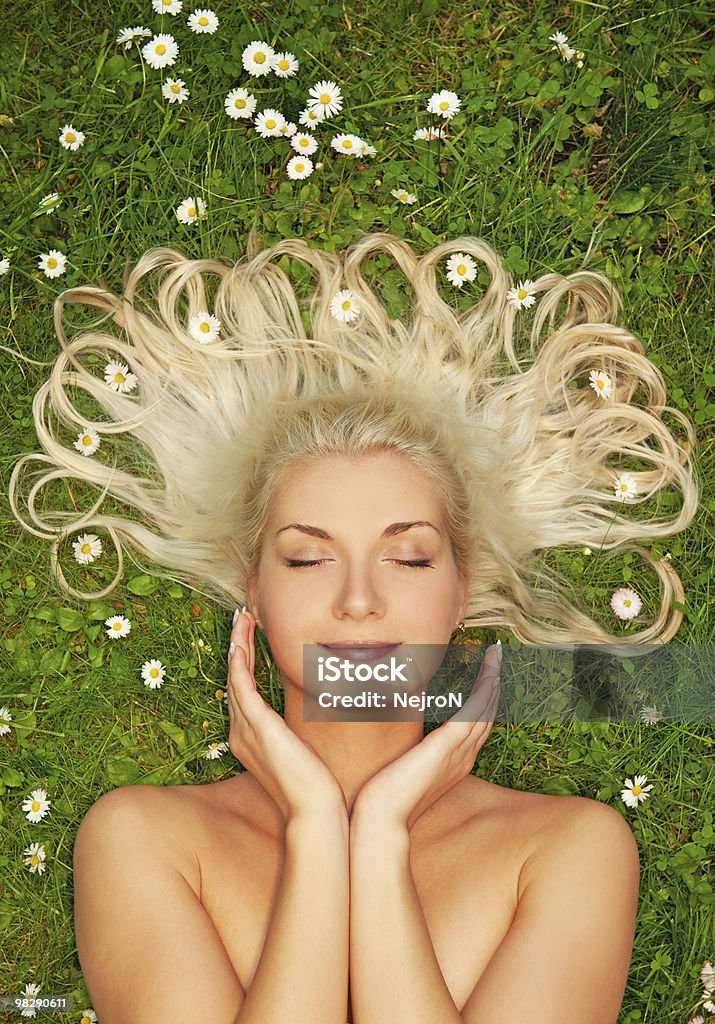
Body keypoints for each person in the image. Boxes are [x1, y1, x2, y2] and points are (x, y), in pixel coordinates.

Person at [9, 231, 699, 1023]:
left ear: (461, 592)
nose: (360, 601)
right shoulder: (143, 839)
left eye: (407, 558)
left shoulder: (568, 850)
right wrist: (313, 824)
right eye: (307, 560)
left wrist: (378, 835)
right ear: (253, 593)